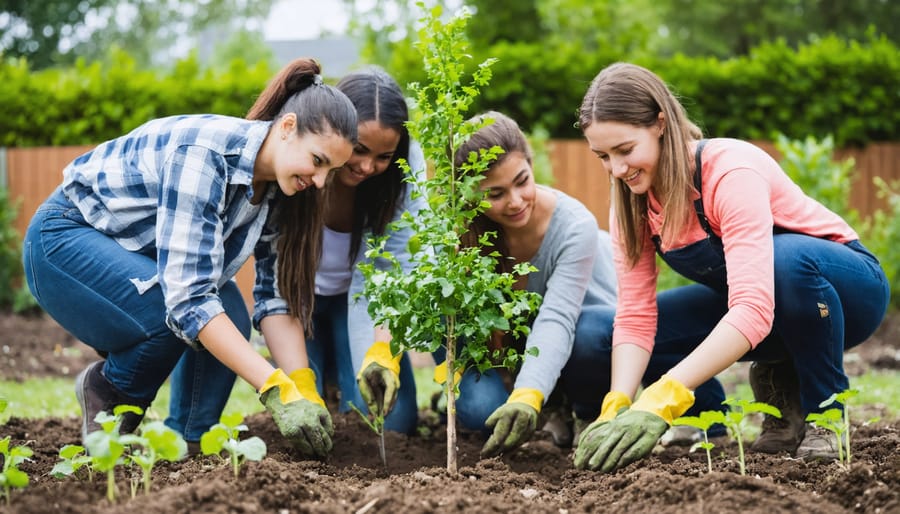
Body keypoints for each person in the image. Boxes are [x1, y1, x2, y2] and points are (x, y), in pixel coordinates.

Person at [22, 57, 358, 458]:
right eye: (318, 161)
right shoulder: (204, 155)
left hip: (138, 261)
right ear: (287, 128)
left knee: (230, 309)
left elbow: (273, 299)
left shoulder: (279, 192)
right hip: (63, 243)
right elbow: (187, 299)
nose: (320, 182)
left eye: (330, 172)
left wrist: (301, 384)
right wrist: (273, 387)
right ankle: (108, 390)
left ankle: (190, 439)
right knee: (174, 313)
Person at [573, 62, 890, 472]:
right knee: (600, 331)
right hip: (756, 309)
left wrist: (663, 395)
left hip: (845, 294)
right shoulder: (631, 204)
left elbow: (753, 308)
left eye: (625, 150)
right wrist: (617, 403)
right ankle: (707, 417)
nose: (616, 169)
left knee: (785, 261)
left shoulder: (729, 171)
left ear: (661, 125)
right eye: (602, 156)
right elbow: (636, 318)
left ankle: (824, 415)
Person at [437, 111, 618, 458]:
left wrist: (527, 395)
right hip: (522, 342)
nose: (516, 201)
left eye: (522, 181)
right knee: (480, 413)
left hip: (587, 327)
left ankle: (584, 410)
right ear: (469, 194)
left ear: (532, 165)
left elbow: (558, 319)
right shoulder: (457, 232)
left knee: (588, 336)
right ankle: (550, 406)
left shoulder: (574, 225)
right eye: (495, 194)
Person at [257, 66, 423, 434]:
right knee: (308, 409)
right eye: (359, 150)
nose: (367, 167)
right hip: (300, 303)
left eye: (383, 157)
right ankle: (326, 371)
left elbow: (395, 267)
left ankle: (344, 370)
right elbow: (272, 280)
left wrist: (383, 350)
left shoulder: (404, 172)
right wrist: (298, 380)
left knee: (389, 420)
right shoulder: (299, 166)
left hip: (361, 299)